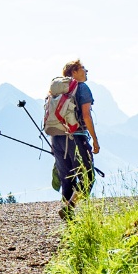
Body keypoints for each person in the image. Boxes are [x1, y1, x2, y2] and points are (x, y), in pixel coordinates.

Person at [51, 60, 99, 215]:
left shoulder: (57, 92)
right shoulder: (82, 88)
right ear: (73, 72)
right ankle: (69, 208)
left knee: (67, 179)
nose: (86, 70)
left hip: (57, 139)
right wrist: (95, 140)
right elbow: (86, 115)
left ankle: (69, 223)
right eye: (82, 68)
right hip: (76, 137)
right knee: (88, 177)